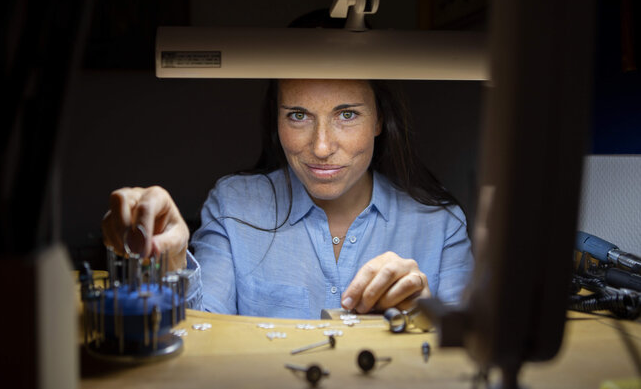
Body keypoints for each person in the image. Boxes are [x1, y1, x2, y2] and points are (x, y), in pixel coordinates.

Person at [101, 77, 474, 319]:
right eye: (298, 115)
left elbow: (469, 361)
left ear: (379, 121)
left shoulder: (441, 224)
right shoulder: (233, 205)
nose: (322, 146)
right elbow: (200, 330)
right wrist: (172, 260)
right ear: (275, 121)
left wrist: (422, 318)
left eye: (347, 114)